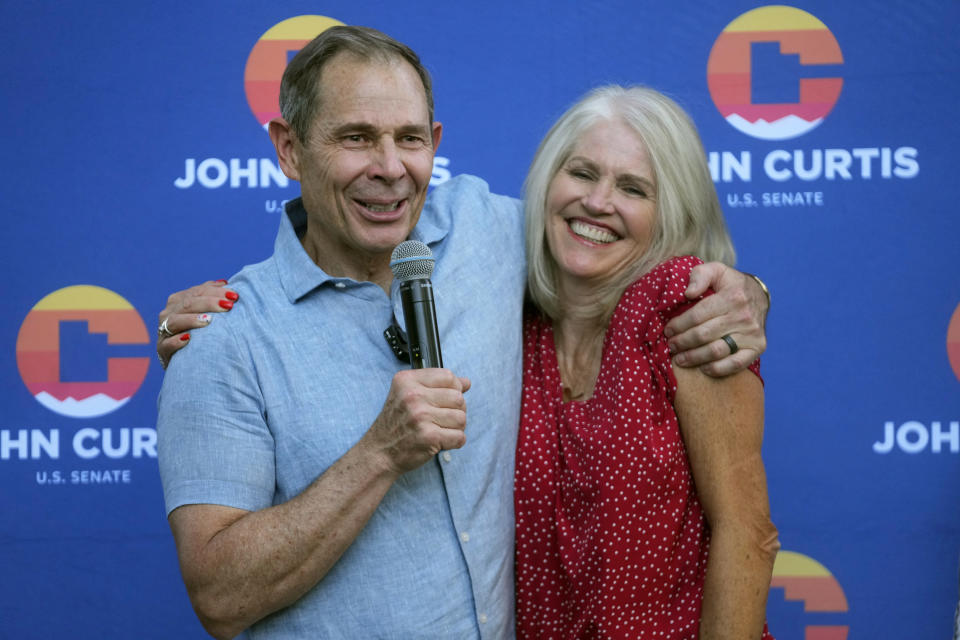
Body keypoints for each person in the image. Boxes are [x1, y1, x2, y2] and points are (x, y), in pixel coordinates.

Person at [156, 25, 770, 639]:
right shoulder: (224, 338)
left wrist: (747, 290)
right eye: (357, 138)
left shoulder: (498, 235)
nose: (390, 168)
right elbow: (219, 597)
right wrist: (380, 453)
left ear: (435, 143)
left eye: (409, 139)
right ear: (289, 150)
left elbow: (610, 241)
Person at [513, 85, 778, 638]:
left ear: (672, 213)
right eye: (583, 173)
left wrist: (754, 288)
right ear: (547, 181)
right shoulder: (511, 321)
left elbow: (746, 531)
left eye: (633, 188)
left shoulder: (682, 313)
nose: (598, 201)